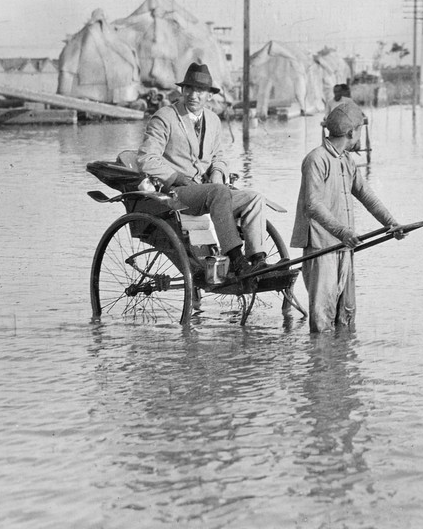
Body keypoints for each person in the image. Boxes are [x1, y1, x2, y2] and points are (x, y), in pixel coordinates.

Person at [136, 63, 267, 278]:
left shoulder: (213, 120)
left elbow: (219, 157)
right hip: (177, 195)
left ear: (209, 95)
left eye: (200, 91)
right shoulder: (165, 117)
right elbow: (146, 159)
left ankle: (258, 259)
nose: (193, 95)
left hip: (210, 192)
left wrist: (217, 173)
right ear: (182, 90)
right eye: (189, 89)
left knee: (255, 198)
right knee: (219, 192)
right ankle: (236, 259)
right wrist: (177, 177)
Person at [291, 100, 403, 332]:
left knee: (346, 317)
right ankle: (320, 364)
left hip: (344, 246)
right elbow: (312, 205)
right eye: (360, 131)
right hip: (321, 247)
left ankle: (343, 363)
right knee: (322, 322)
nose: (360, 136)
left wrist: (391, 223)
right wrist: (343, 232)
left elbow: (366, 195)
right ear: (352, 132)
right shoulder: (316, 160)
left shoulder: (347, 160)